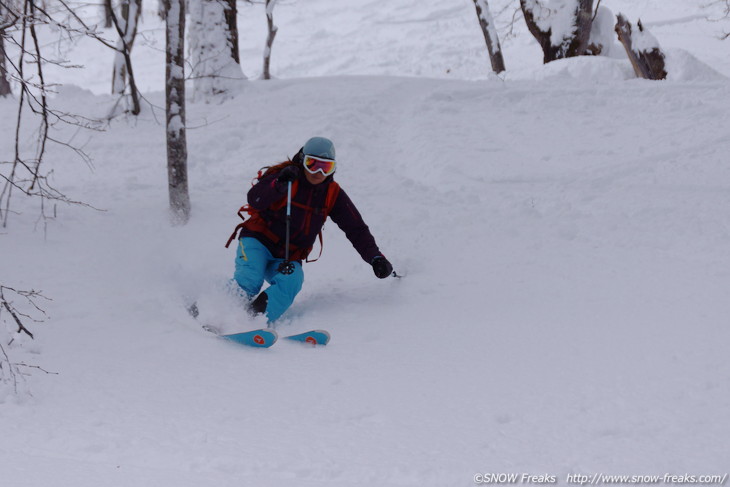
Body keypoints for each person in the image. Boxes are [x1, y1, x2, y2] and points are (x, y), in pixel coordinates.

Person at [228, 136, 393, 322]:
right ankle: (216, 310)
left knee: (291, 282)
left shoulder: (332, 193)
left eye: (326, 166)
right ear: (302, 160)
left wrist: (375, 258)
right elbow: (255, 199)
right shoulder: (286, 177)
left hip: (289, 255)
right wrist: (278, 185)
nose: (319, 172)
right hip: (258, 241)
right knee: (250, 279)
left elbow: (355, 228)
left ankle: (251, 320)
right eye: (312, 164)